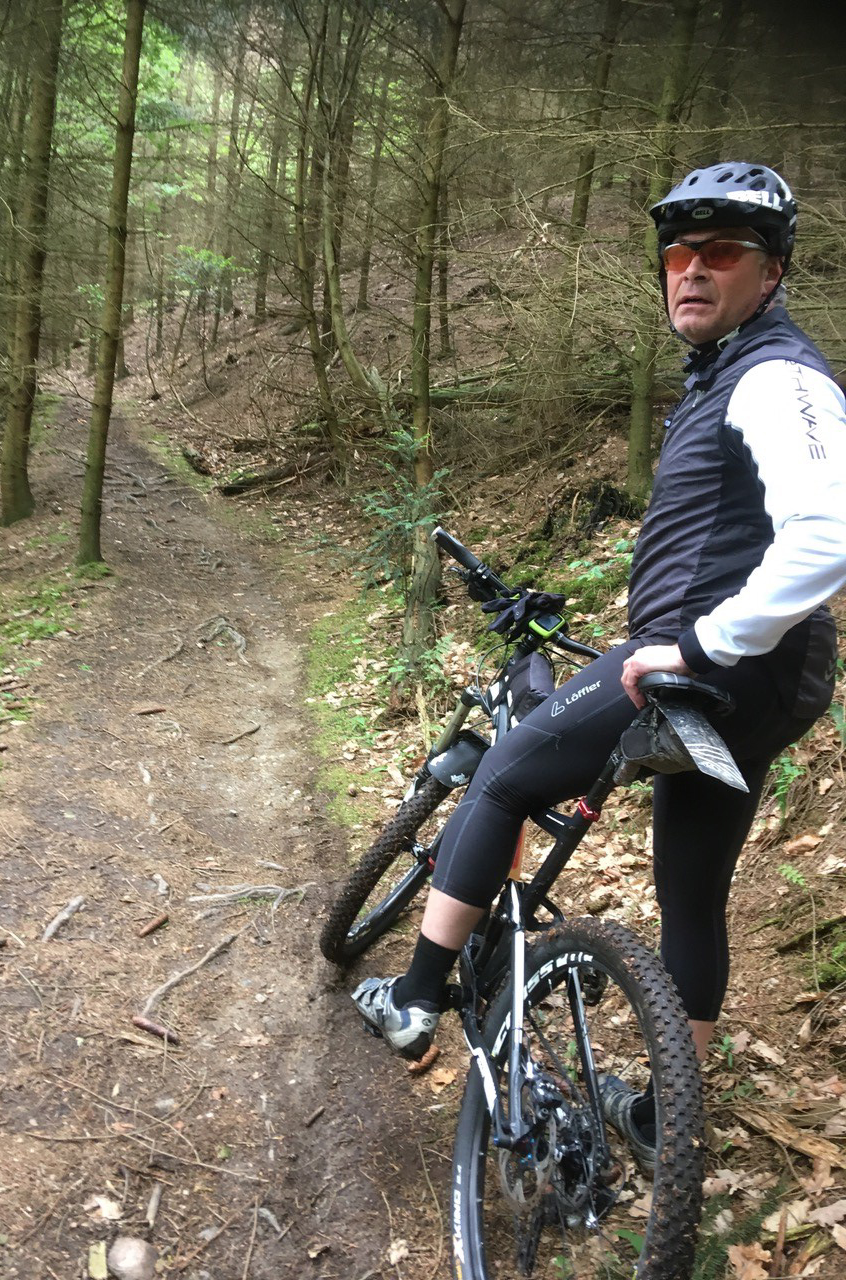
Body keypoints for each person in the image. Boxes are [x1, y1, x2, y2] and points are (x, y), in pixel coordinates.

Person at [351, 162, 846, 1167]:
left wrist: (697, 644)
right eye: (677, 253)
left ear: (772, 272)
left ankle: (413, 996)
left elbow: (828, 531)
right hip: (763, 679)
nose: (692, 270)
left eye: (722, 252)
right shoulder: (724, 376)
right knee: (692, 887)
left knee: (505, 774)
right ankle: (671, 1121)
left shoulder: (777, 377)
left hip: (719, 663)